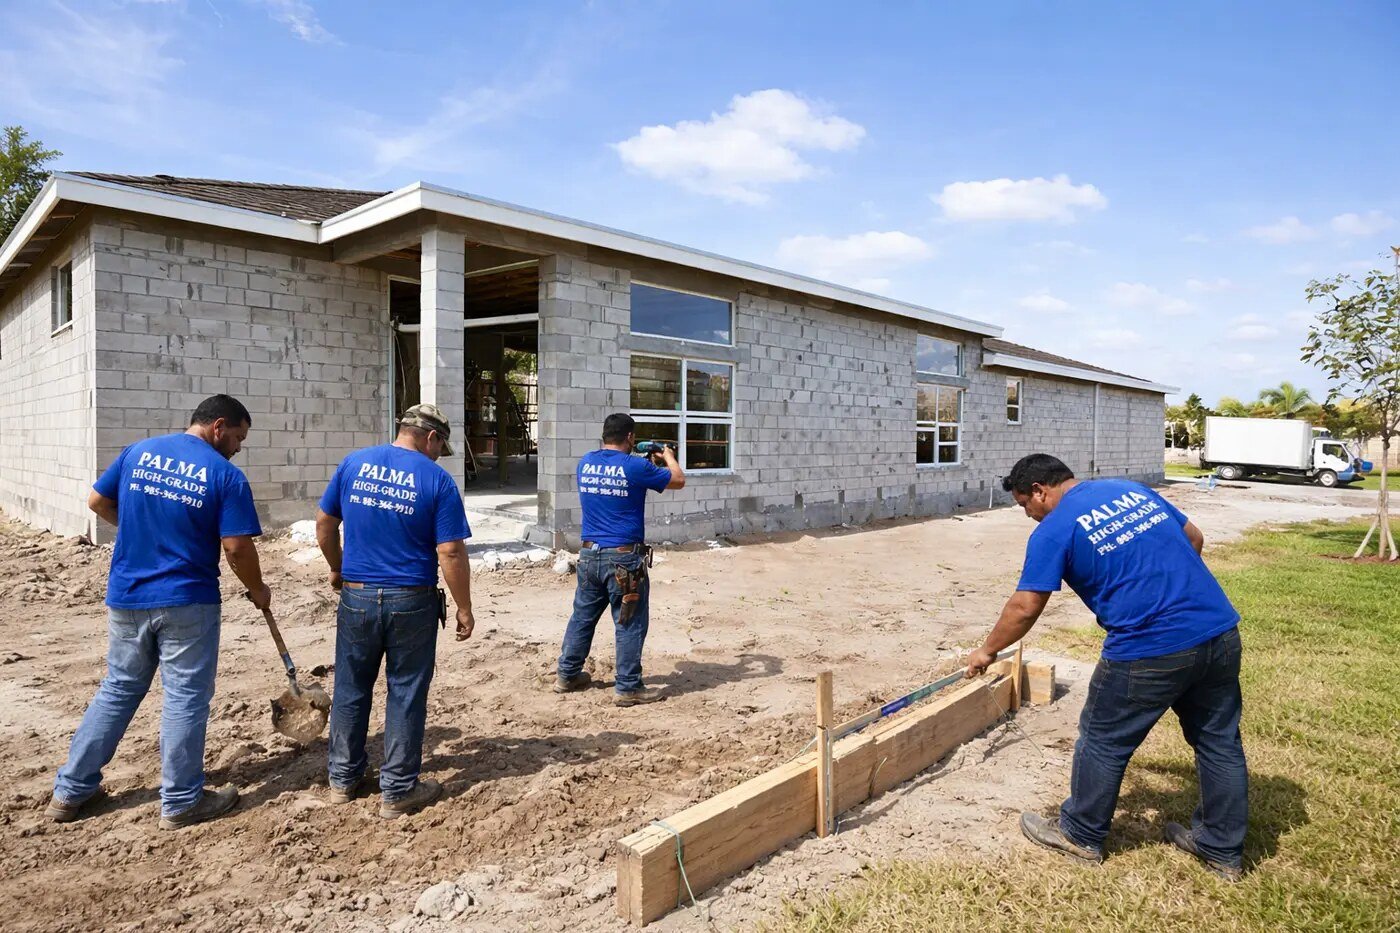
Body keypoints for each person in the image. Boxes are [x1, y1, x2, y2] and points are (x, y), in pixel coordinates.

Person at [965, 454, 1248, 880]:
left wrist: (986, 651)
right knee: (1218, 742)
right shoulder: (1130, 490)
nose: (1028, 515)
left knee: (1102, 740)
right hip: (1218, 632)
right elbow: (1194, 538)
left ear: (1040, 491)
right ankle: (1221, 849)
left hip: (1147, 650)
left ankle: (1079, 834)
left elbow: (1025, 606)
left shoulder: (1055, 530)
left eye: (1026, 505)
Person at [48, 395, 269, 830]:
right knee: (185, 697)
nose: (239, 447)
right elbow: (236, 547)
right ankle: (183, 800)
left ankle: (71, 791)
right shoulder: (225, 475)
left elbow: (96, 501)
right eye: (239, 437)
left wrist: (137, 529)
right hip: (188, 598)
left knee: (119, 688)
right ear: (218, 426)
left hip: (128, 594)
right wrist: (257, 588)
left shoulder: (138, 452)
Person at [315, 403, 473, 819]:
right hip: (410, 600)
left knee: (351, 688)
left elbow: (325, 524)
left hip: (358, 596)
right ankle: (398, 789)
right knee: (405, 692)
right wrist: (464, 607)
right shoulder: (436, 479)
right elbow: (450, 551)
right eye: (441, 447)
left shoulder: (354, 463)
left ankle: (343, 780)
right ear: (432, 437)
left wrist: (338, 566)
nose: (440, 455)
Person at [555, 413, 685, 706]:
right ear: (630, 437)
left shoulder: (585, 462)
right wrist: (667, 456)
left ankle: (566, 674)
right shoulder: (636, 466)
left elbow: (617, 479)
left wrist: (641, 460)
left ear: (604, 435)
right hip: (623, 561)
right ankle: (628, 687)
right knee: (629, 621)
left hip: (589, 556)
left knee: (582, 617)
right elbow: (678, 480)